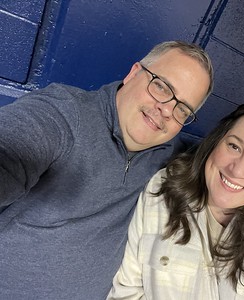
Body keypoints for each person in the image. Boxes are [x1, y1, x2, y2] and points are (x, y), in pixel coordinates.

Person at [0, 40, 213, 300]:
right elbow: (14, 147)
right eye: (161, 86)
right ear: (134, 73)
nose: (166, 110)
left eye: (182, 109)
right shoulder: (65, 113)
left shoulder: (170, 153)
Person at [108, 100, 244, 300]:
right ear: (215, 143)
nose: (238, 169)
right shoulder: (162, 191)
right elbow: (127, 291)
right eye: (234, 146)